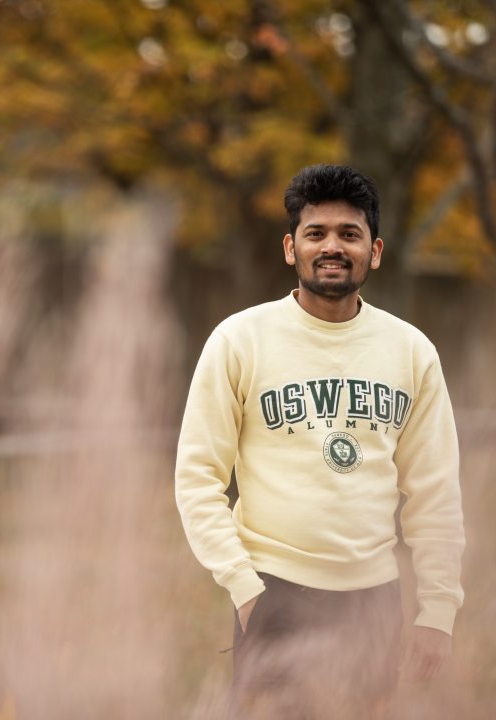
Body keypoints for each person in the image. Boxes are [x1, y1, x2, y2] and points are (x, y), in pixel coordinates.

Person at [174, 165, 465, 718]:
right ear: (292, 248)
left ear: (374, 251)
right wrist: (245, 588)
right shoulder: (239, 340)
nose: (333, 246)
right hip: (275, 594)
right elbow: (197, 478)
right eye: (316, 233)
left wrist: (437, 611)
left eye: (349, 234)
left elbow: (435, 495)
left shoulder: (411, 352)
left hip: (374, 602)